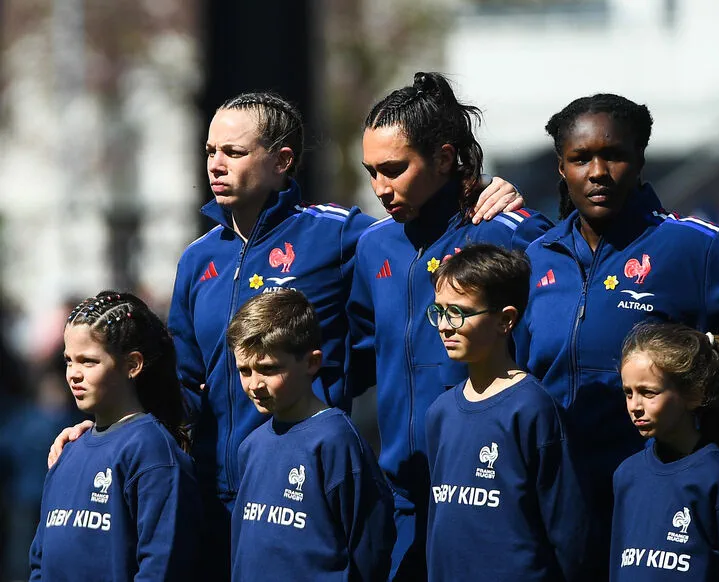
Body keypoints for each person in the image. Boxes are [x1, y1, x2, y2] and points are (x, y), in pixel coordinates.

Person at [47, 91, 524, 579]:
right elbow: (180, 384)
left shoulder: (343, 236)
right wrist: (108, 424)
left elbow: (421, 242)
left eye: (233, 152)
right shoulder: (197, 259)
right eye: (210, 151)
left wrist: (485, 189)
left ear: (282, 161)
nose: (215, 164)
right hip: (214, 493)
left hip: (301, 488)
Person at [513, 93, 719, 573]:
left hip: (655, 500)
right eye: (580, 158)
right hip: (556, 504)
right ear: (560, 167)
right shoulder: (537, 258)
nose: (597, 171)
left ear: (639, 161)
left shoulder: (692, 247)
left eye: (613, 155)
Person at [347, 72, 554, 581]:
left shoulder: (509, 232)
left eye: (394, 169)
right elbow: (352, 357)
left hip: (485, 489)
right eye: (371, 171)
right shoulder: (375, 246)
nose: (379, 188)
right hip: (401, 495)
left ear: (443, 158)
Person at [424, 244, 587, 581]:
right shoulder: (440, 413)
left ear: (505, 320)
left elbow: (569, 533)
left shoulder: (532, 409)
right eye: (439, 311)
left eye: (458, 312)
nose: (444, 325)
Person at [29, 292, 201, 581]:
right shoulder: (68, 450)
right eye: (69, 360)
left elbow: (162, 565)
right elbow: (39, 560)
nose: (73, 374)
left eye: (88, 361)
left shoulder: (152, 451)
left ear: (132, 365)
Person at [228, 290, 394, 582]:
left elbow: (370, 547)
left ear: (311, 363)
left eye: (268, 369)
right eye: (244, 370)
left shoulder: (336, 441)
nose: (254, 384)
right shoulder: (250, 446)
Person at [612, 323, 719, 581]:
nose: (635, 406)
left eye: (648, 392)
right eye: (628, 393)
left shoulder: (718, 480)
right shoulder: (626, 475)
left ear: (694, 394)